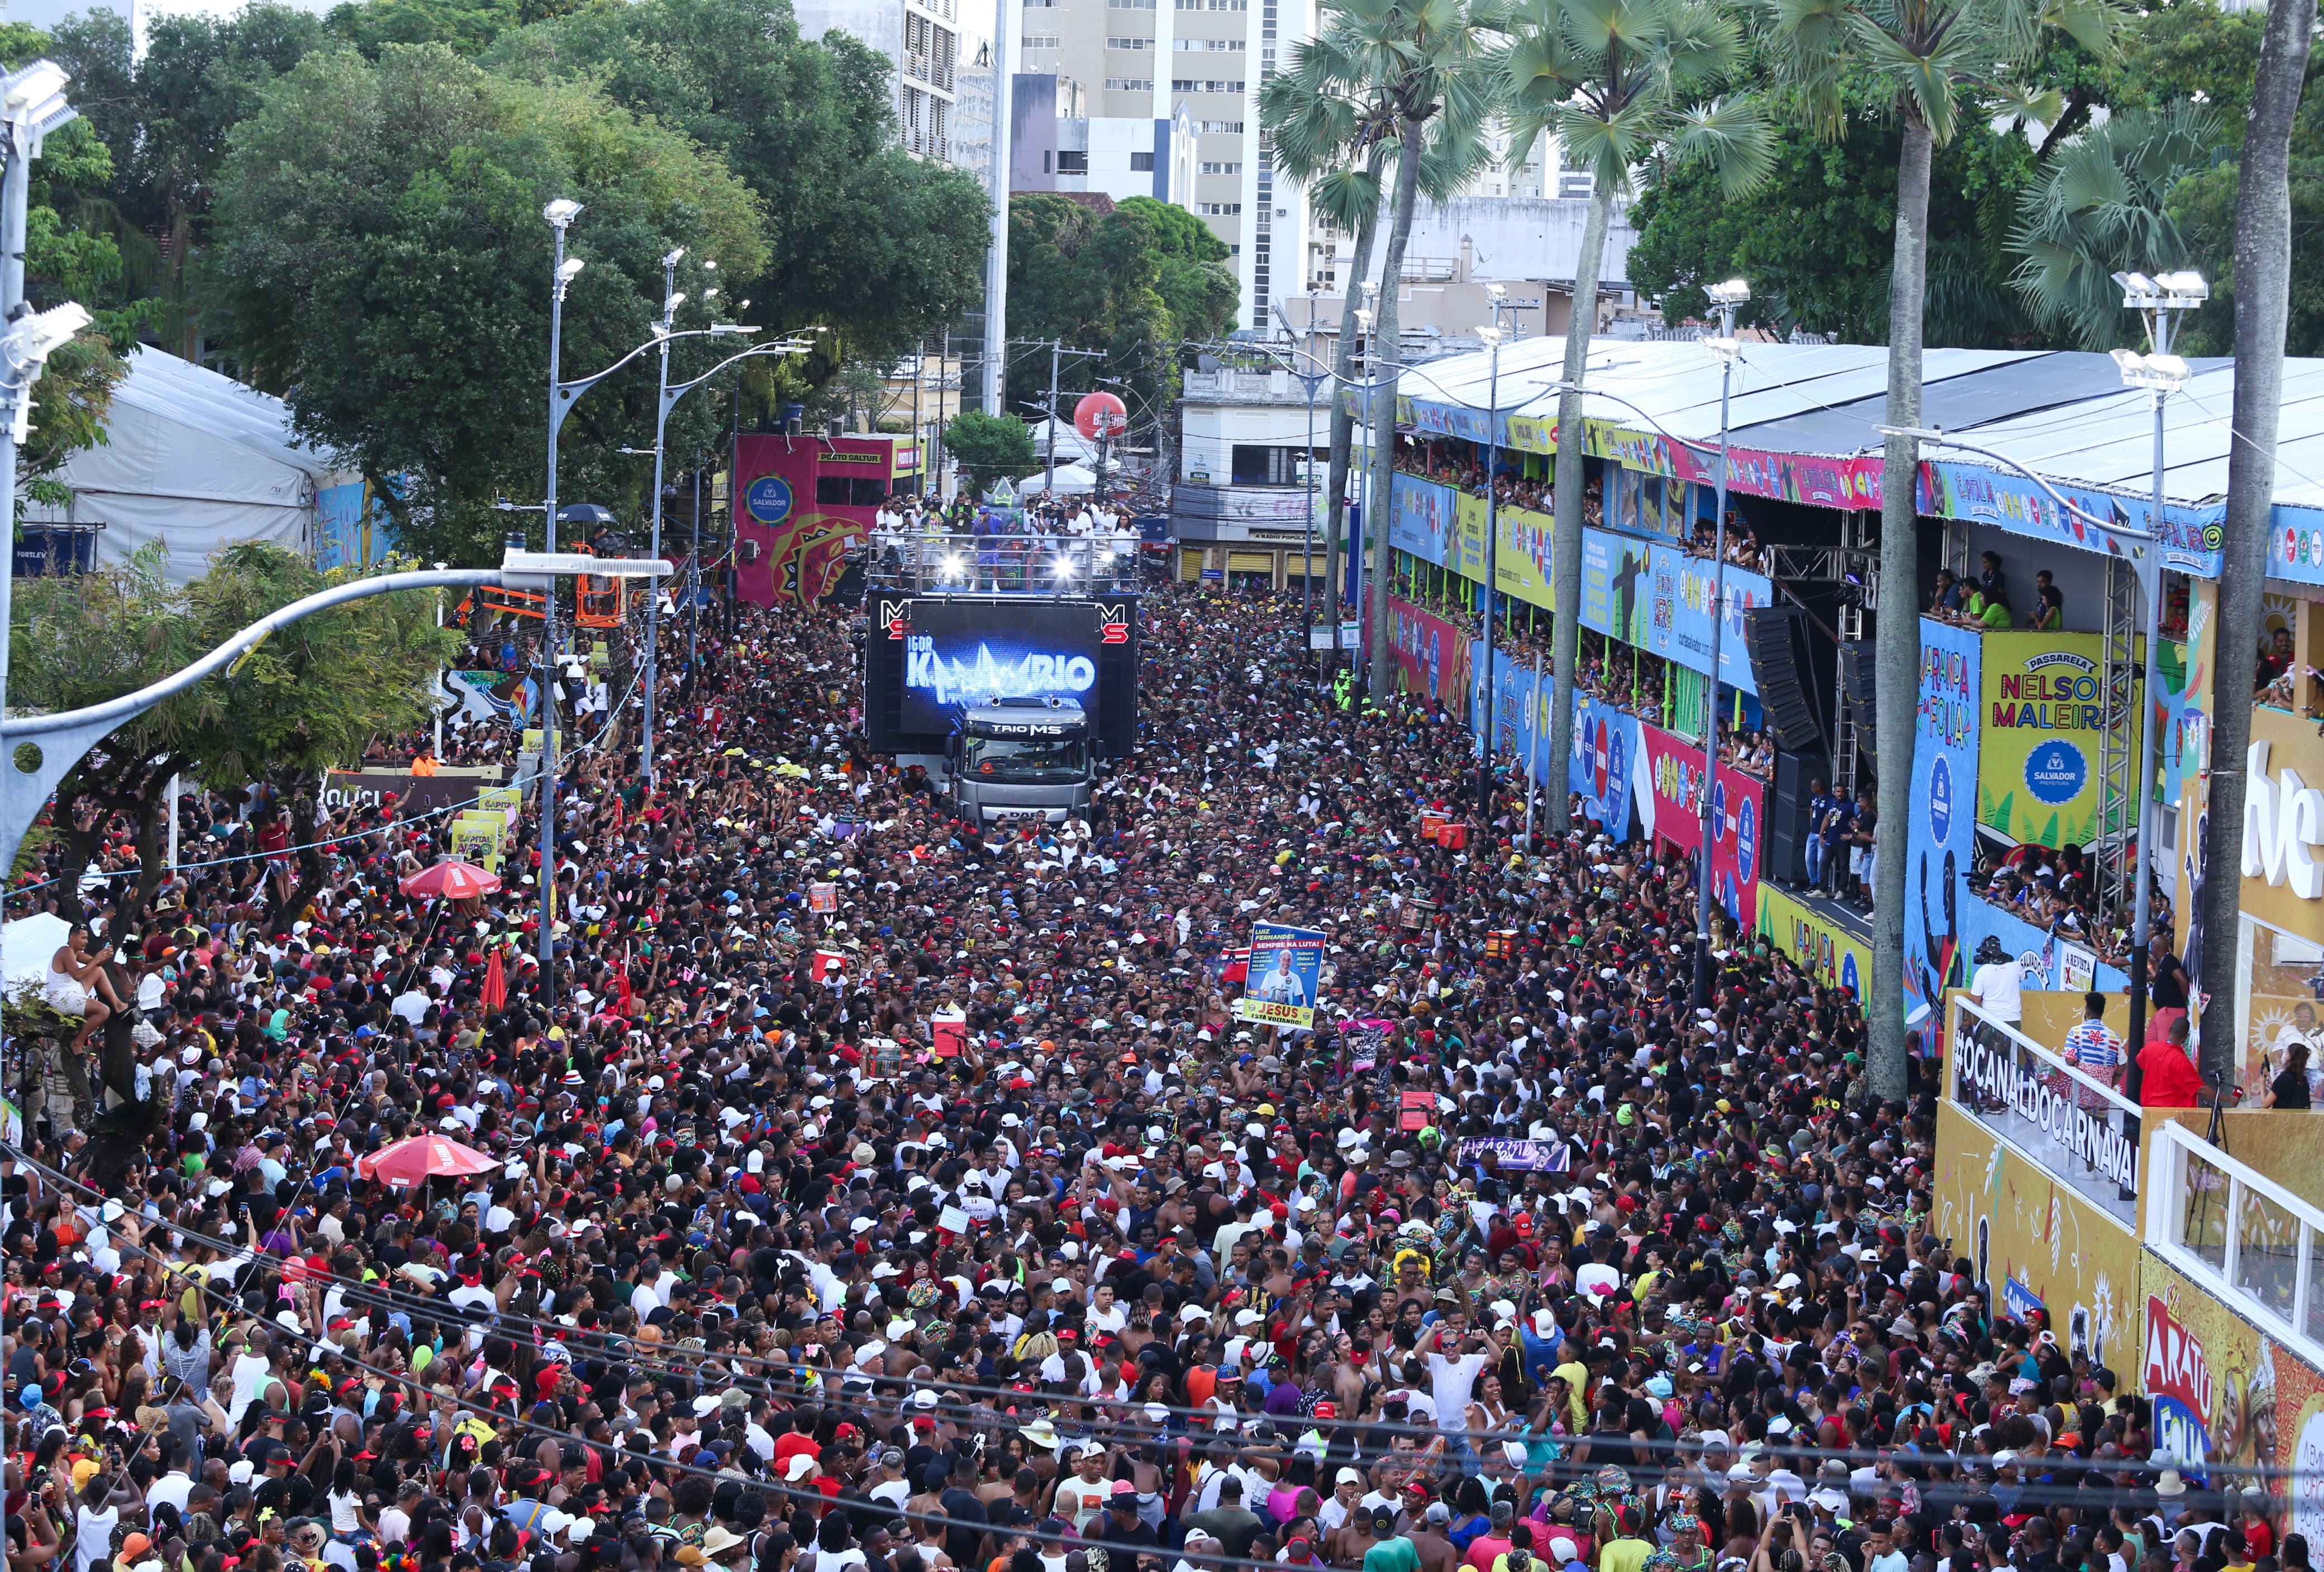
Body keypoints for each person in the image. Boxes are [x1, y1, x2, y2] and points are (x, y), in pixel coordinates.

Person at [2139, 1017, 2206, 1109]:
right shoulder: (2181, 1061)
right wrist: (2228, 1099)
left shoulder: (2150, 1047)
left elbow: (2140, 1061)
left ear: (2170, 1030)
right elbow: (2200, 1089)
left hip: (2148, 1111)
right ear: (2186, 1037)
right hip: (2171, 1115)